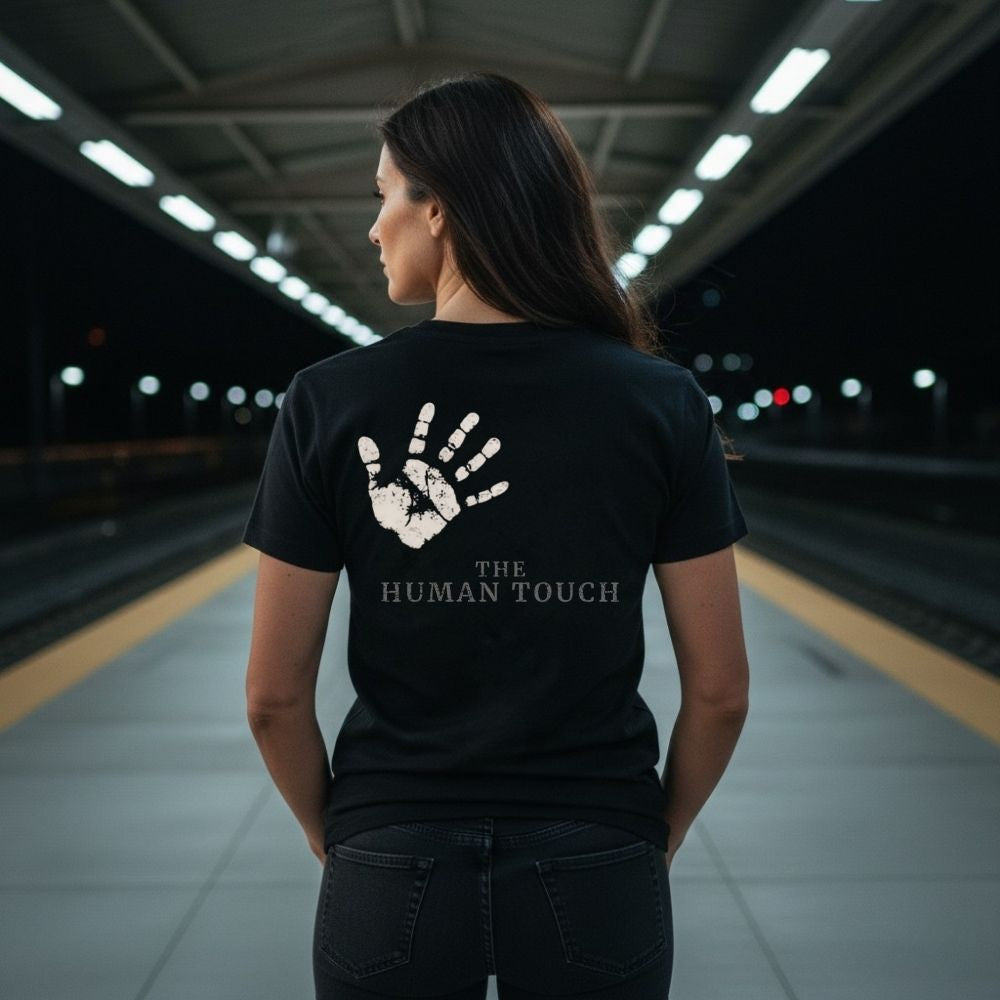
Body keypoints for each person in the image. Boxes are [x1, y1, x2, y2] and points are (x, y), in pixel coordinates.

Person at [243, 71, 750, 1000]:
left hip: (390, 841)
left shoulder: (330, 400)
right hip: (598, 837)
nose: (373, 224)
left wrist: (350, 832)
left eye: (383, 194)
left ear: (438, 209)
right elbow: (719, 691)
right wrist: (646, 832)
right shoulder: (661, 401)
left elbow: (273, 697)